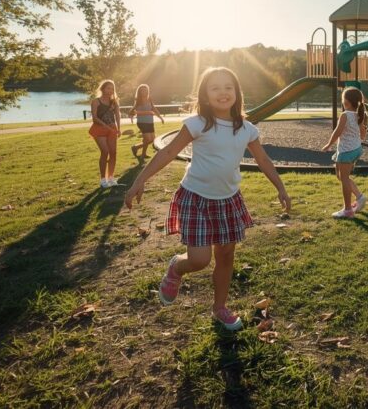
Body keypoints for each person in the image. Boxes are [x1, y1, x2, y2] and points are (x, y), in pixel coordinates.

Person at [124, 67, 291, 331]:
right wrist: (139, 180)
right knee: (200, 260)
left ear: (237, 93)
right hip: (197, 199)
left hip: (228, 201)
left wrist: (280, 187)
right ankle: (176, 269)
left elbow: (263, 160)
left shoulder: (246, 129)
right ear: (204, 94)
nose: (223, 92)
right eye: (215, 88)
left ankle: (220, 308)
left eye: (228, 87)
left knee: (225, 256)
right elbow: (167, 153)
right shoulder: (197, 123)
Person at [322, 87, 368, 218]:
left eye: (343, 100)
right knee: (341, 176)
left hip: (347, 151)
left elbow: (337, 132)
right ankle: (360, 198)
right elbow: (363, 136)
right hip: (355, 149)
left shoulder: (345, 115)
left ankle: (348, 210)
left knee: (344, 179)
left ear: (346, 102)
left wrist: (328, 144)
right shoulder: (359, 115)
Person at [88, 79, 121, 188]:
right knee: (105, 151)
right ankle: (103, 180)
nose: (110, 90)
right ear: (102, 89)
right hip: (99, 129)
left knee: (113, 153)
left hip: (112, 129)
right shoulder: (96, 101)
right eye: (108, 88)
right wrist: (106, 126)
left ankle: (111, 178)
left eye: (112, 89)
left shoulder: (114, 102)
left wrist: (119, 128)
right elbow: (95, 118)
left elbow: (117, 115)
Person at [129, 84, 165, 159]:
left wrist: (160, 117)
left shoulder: (149, 98)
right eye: (142, 90)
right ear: (139, 91)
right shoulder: (138, 100)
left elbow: (154, 108)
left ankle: (139, 151)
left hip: (150, 122)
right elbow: (136, 112)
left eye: (146, 90)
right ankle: (137, 150)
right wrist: (148, 112)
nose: (144, 92)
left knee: (151, 140)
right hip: (142, 122)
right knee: (148, 139)